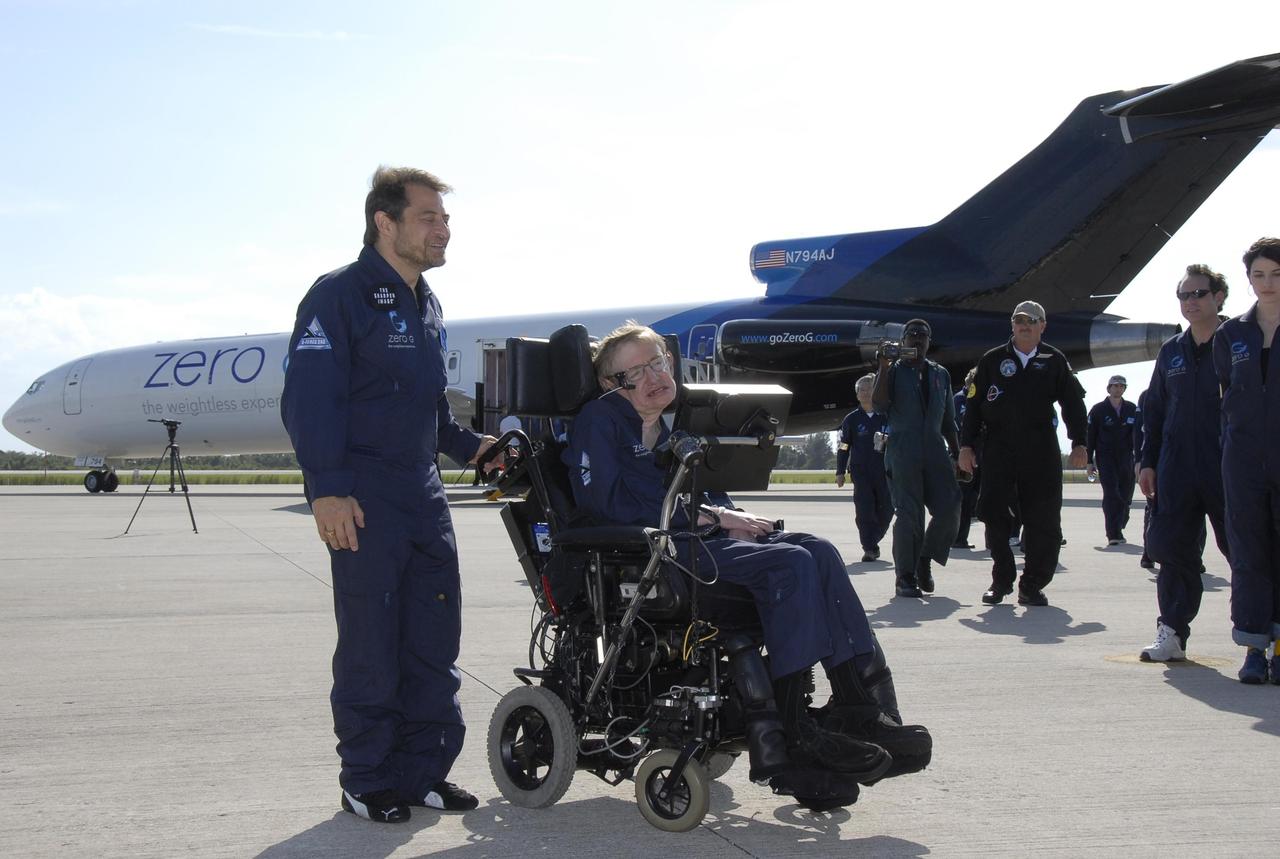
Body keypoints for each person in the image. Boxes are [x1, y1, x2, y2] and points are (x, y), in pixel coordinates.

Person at [565, 322, 932, 804]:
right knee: (790, 565)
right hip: (659, 555)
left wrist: (732, 516)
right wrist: (713, 517)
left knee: (816, 550)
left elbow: (710, 489)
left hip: (702, 540)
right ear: (614, 385)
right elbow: (606, 501)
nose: (653, 375)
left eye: (657, 362)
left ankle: (862, 707)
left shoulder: (681, 418)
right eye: (635, 371)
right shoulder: (602, 419)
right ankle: (792, 734)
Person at [280, 167, 497, 823]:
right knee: (372, 639)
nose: (443, 229)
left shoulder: (425, 303)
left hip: (422, 494)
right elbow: (310, 400)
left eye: (446, 218)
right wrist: (328, 490)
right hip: (364, 493)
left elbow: (429, 407)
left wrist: (469, 446)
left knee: (432, 638)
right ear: (386, 222)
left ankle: (423, 772)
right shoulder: (339, 296)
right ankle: (367, 776)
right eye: (429, 216)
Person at [959, 300, 1088, 607]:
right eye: (1019, 319)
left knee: (1043, 520)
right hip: (999, 448)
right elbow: (973, 407)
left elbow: (1073, 403)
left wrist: (1079, 442)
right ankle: (1001, 580)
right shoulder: (992, 360)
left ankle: (1032, 583)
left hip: (1039, 448)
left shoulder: (1054, 360)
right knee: (993, 514)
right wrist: (966, 446)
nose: (1025, 324)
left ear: (1043, 326)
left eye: (1032, 320)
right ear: (1012, 325)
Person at [1138, 264, 1231, 662]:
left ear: (1219, 297)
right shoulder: (1172, 350)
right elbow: (1155, 408)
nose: (1190, 302)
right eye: (1183, 295)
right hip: (1176, 465)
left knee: (1245, 551)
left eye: (1198, 294)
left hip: (1229, 464)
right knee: (1172, 549)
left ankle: (1261, 636)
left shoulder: (1239, 342)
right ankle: (1172, 632)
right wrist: (1148, 461)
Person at [1214, 237, 1280, 684]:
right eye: (1258, 275)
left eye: (1276, 274)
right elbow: (1226, 393)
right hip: (1243, 461)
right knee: (1248, 554)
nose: (1267, 284)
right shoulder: (1231, 334)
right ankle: (1254, 647)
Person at [871, 319, 962, 597]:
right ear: (903, 341)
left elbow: (948, 419)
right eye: (912, 336)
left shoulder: (940, 374)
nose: (918, 340)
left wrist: (958, 453)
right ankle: (905, 576)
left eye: (923, 336)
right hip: (903, 449)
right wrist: (883, 368)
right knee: (910, 515)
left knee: (950, 506)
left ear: (929, 341)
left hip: (934, 448)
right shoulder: (894, 371)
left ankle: (925, 558)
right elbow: (879, 405)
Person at [835, 374, 892, 563]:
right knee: (864, 509)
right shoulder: (851, 419)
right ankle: (869, 547)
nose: (866, 393)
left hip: (885, 470)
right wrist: (840, 471)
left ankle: (873, 537)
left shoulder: (886, 415)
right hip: (861, 471)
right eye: (863, 390)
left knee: (886, 509)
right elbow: (844, 446)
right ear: (857, 394)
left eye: (870, 389)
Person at [1086, 375, 1139, 546]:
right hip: (1105, 456)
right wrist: (1089, 461)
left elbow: (1140, 435)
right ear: (1109, 388)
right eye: (1114, 386)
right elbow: (1090, 436)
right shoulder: (1098, 410)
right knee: (1111, 494)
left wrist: (1140, 459)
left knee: (1126, 496)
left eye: (1121, 386)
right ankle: (1113, 533)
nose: (1118, 389)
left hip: (1126, 457)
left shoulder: (1132, 409)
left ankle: (1120, 521)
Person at [953, 368, 980, 550]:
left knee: (973, 498)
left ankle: (963, 537)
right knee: (962, 498)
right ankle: (958, 538)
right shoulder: (959, 400)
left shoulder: (980, 398)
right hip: (961, 455)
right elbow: (952, 426)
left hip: (980, 455)